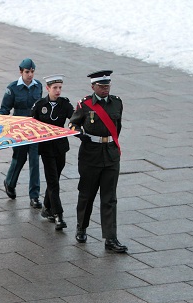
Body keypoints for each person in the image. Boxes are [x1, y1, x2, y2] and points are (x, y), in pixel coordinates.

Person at [68, 70, 127, 253]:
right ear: (93, 87)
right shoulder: (85, 104)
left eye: (107, 86)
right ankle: (81, 227)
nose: (105, 89)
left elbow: (118, 127)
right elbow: (72, 124)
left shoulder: (117, 102)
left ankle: (110, 238)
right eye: (101, 86)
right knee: (87, 194)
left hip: (110, 155)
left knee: (109, 198)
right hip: (90, 155)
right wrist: (81, 134)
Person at [0, 58, 43, 208]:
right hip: (19, 129)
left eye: (32, 72)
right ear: (21, 72)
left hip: (34, 130)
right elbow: (5, 108)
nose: (30, 75)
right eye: (27, 72)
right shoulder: (13, 88)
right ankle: (9, 182)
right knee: (19, 157)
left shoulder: (38, 86)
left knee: (35, 162)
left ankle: (34, 196)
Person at [31, 74, 74, 230]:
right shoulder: (40, 105)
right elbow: (30, 124)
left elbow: (74, 118)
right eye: (55, 88)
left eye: (60, 88)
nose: (58, 91)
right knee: (53, 182)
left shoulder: (65, 104)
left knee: (55, 179)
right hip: (46, 149)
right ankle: (58, 215)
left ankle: (47, 208)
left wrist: (76, 126)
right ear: (47, 88)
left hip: (61, 147)